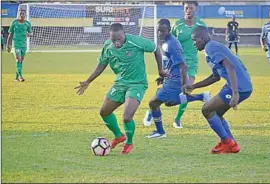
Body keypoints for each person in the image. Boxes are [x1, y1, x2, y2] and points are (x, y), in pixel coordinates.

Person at [74, 23, 167, 155]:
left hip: (137, 83)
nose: (117, 42)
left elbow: (155, 49)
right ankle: (119, 136)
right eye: (114, 39)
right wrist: (88, 81)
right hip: (120, 83)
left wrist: (160, 70)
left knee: (127, 117)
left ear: (124, 34)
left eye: (119, 39)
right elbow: (102, 64)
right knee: (104, 112)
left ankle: (129, 142)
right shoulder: (108, 46)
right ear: (109, 37)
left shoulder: (136, 41)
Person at [184, 26, 253, 154]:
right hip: (239, 86)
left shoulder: (211, 47)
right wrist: (194, 86)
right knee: (217, 113)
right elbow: (215, 77)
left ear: (203, 38)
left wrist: (235, 93)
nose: (193, 43)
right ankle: (231, 144)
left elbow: (230, 67)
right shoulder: (210, 50)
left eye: (195, 40)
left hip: (239, 88)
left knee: (207, 109)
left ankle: (227, 143)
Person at [143, 1, 207, 129]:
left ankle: (177, 119)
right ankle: (151, 110)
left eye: (191, 8)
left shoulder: (201, 25)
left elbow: (205, 42)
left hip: (191, 64)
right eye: (186, 8)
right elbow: (168, 42)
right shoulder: (177, 25)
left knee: (187, 90)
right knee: (166, 91)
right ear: (184, 9)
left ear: (196, 9)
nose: (189, 10)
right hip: (175, 64)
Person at [6, 9, 33, 82]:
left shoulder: (27, 23)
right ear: (18, 14)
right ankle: (21, 77)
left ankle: (16, 77)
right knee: (18, 59)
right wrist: (8, 45)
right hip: (16, 45)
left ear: (25, 15)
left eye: (23, 13)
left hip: (24, 45)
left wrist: (29, 34)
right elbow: (10, 34)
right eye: (20, 13)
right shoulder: (14, 23)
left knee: (20, 61)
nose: (22, 15)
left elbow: (31, 33)